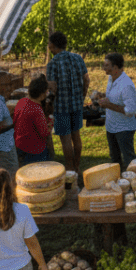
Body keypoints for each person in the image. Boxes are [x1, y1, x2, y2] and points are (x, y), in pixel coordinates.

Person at [44, 31, 88, 175]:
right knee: (77, 136)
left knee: (66, 140)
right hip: (76, 104)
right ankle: (77, 166)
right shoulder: (77, 58)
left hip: (61, 107)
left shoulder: (52, 64)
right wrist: (82, 96)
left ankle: (69, 168)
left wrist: (48, 102)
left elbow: (52, 88)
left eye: (49, 43)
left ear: (52, 45)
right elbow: (86, 79)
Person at [98, 53, 136, 170]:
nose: (104, 68)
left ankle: (134, 182)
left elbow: (130, 111)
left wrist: (108, 105)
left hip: (123, 128)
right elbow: (115, 97)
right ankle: (119, 182)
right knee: (114, 159)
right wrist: (102, 96)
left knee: (129, 159)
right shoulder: (111, 78)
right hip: (111, 126)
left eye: (106, 65)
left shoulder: (126, 85)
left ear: (115, 67)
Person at [13, 76, 53, 167]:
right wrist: (51, 120)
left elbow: (14, 121)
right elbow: (44, 133)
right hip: (34, 149)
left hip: (20, 144)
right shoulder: (36, 109)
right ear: (42, 94)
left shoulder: (21, 102)